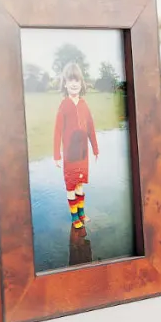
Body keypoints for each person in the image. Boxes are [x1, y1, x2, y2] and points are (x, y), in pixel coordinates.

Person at [53, 62, 99, 229]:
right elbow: (57, 131)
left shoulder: (84, 105)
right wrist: (57, 155)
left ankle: (82, 213)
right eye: (70, 80)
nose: (74, 84)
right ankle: (74, 217)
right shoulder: (64, 105)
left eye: (77, 80)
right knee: (71, 184)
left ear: (81, 83)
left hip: (83, 154)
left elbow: (91, 128)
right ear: (65, 83)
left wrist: (95, 149)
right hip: (70, 155)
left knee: (80, 183)